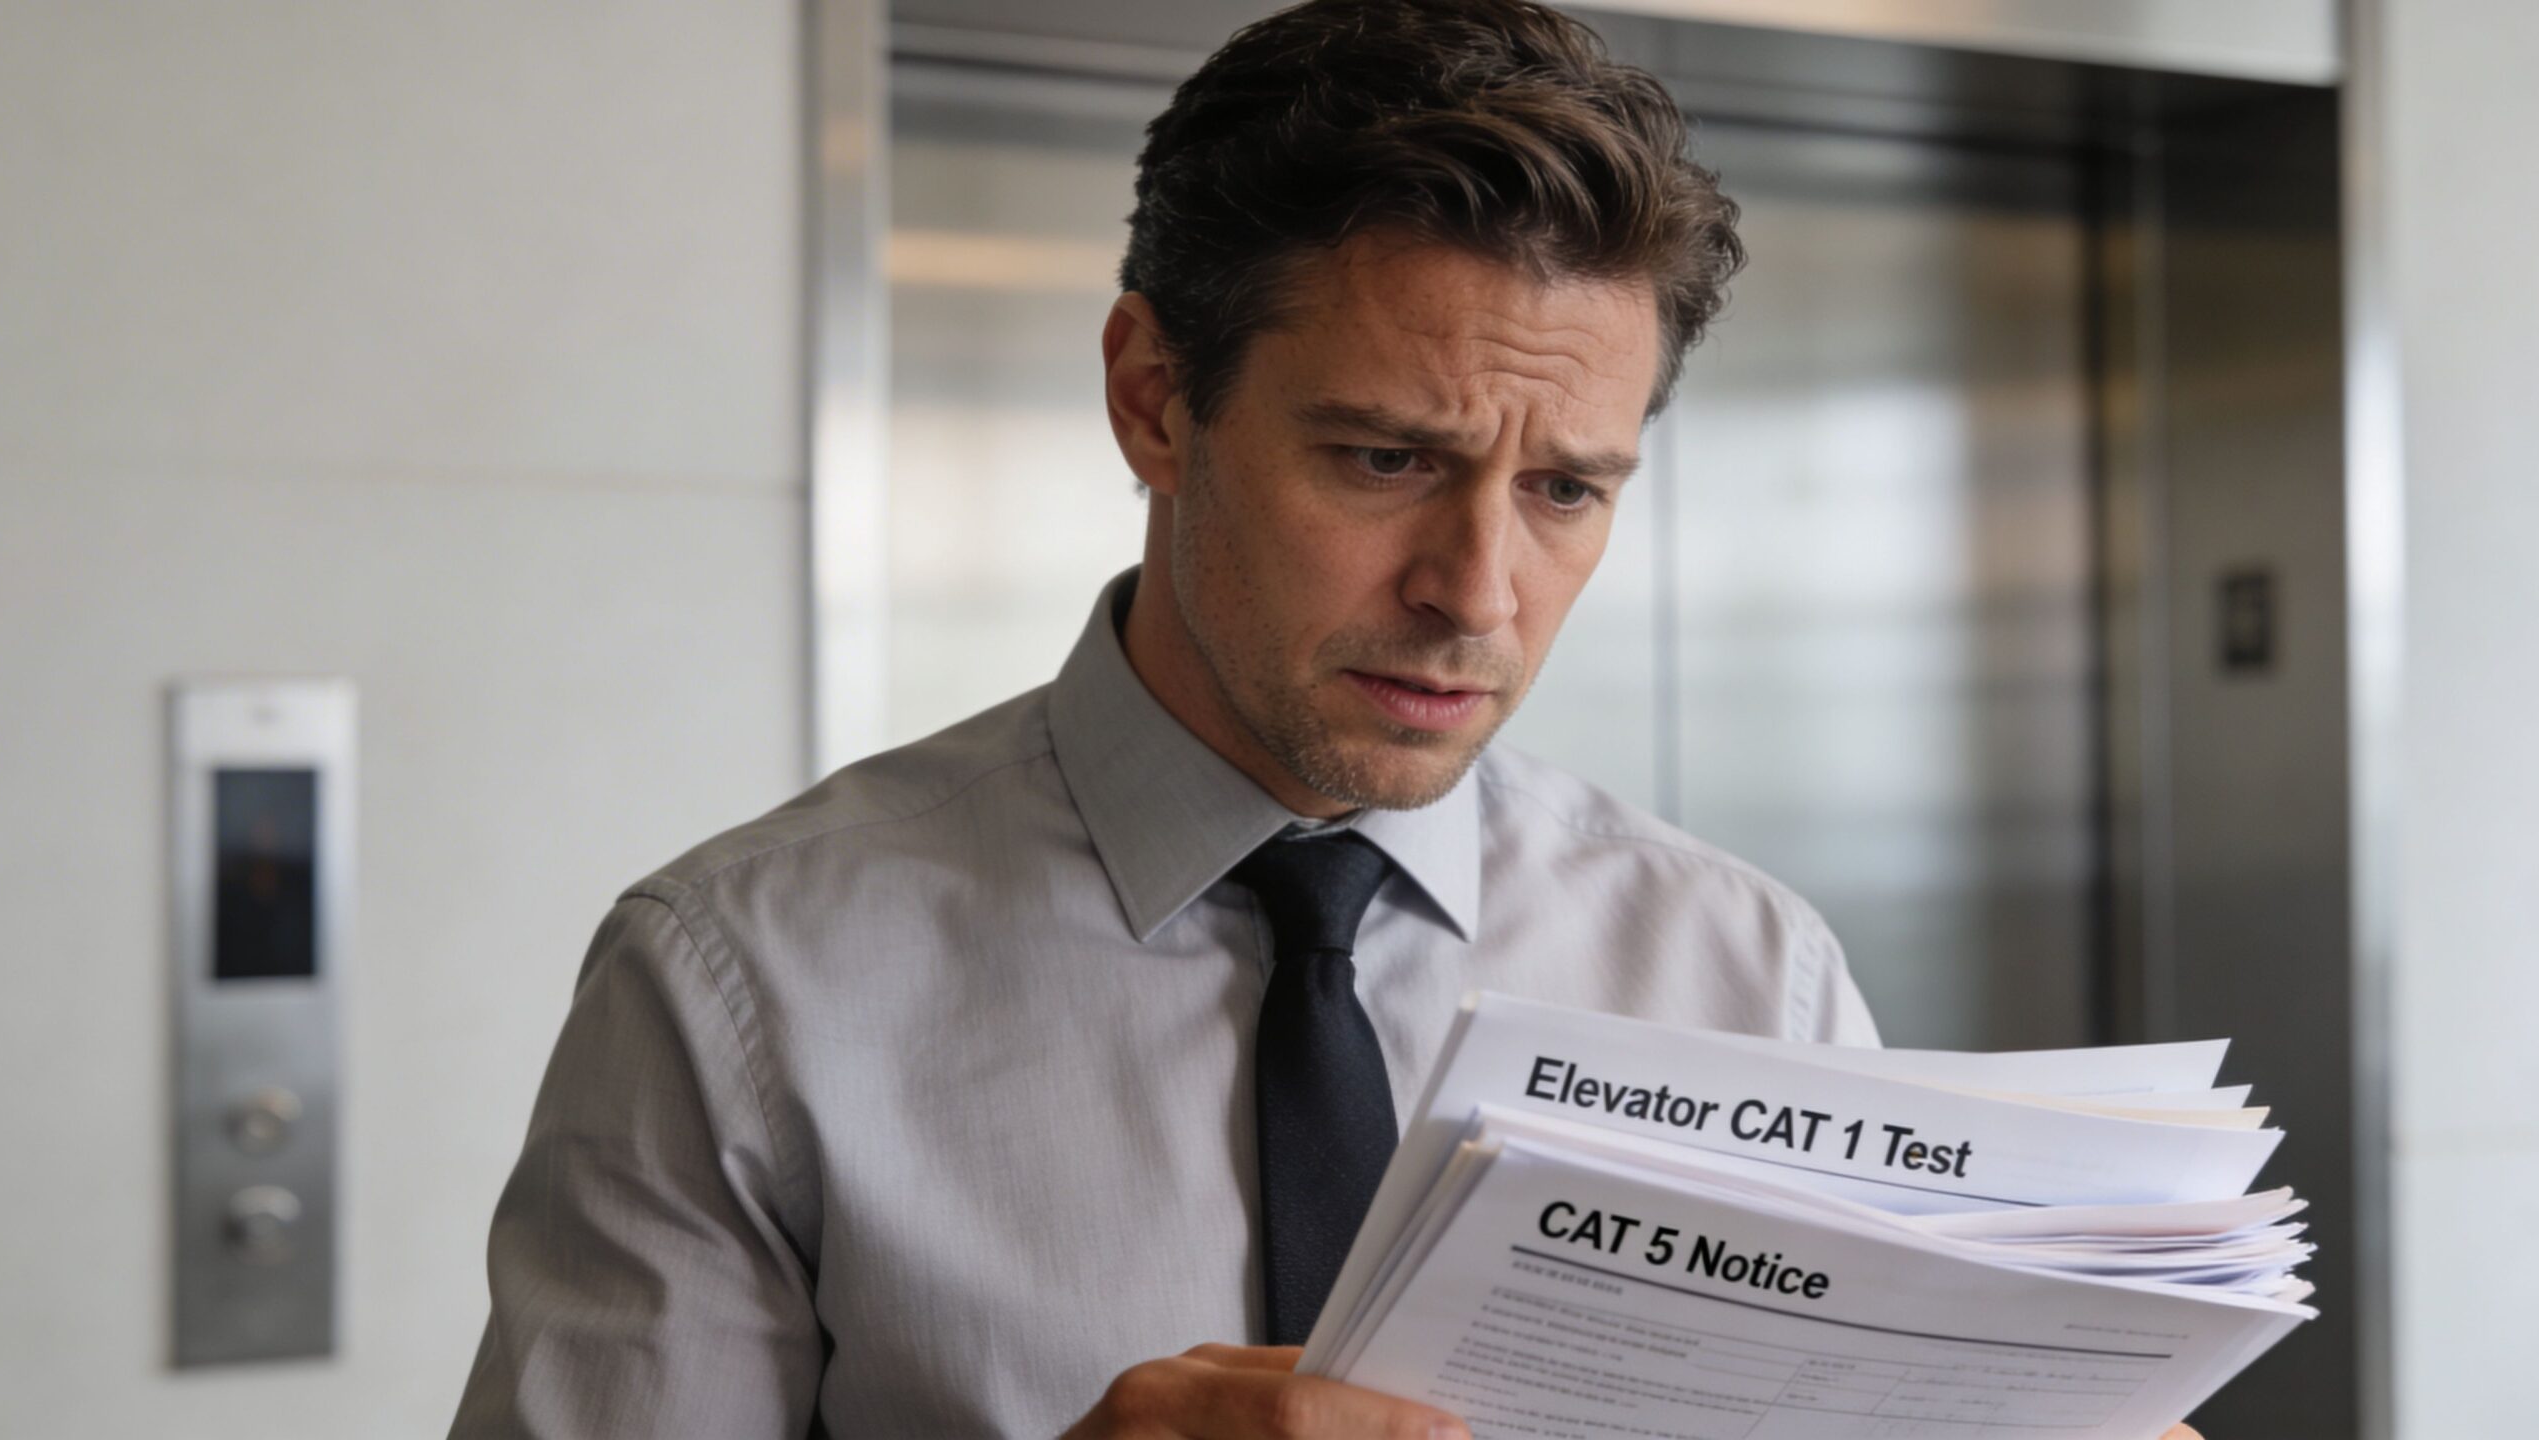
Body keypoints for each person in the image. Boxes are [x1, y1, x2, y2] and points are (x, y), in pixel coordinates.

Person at [448, 3, 2200, 1437]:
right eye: (1387, 459)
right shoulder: (747, 984)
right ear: (1154, 396)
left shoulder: (1750, 973)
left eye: (1570, 491)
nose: (1479, 589)